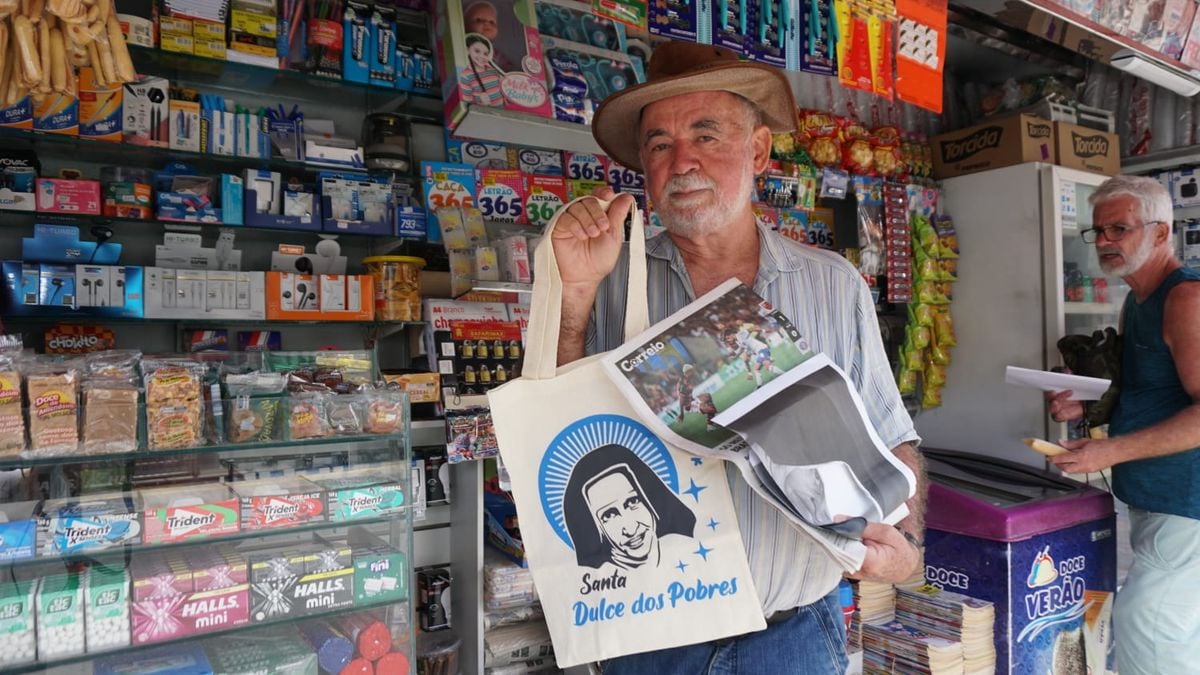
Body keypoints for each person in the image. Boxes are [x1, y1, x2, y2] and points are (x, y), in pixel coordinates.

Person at [552, 42, 925, 673]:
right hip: (650, 640)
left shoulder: (833, 284)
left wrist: (908, 544)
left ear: (756, 151)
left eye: (706, 134)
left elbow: (894, 439)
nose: (682, 161)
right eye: (659, 145)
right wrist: (576, 300)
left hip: (795, 638)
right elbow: (557, 443)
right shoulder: (608, 280)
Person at [1046, 175, 1200, 675]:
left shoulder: (1186, 301)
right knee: (1171, 628)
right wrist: (1088, 408)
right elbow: (1149, 393)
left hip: (1190, 504)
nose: (1106, 241)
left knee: (1148, 626)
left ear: (1160, 233)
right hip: (1160, 498)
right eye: (1098, 231)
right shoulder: (1138, 299)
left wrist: (1107, 452)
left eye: (1120, 228)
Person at [563, 444, 698, 571]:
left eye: (633, 502)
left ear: (649, 500)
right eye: (609, 515)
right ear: (596, 528)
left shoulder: (691, 547)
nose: (630, 529)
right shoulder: (598, 581)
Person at [459, 34, 504, 107]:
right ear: (467, 50)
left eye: (485, 54)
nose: (482, 56)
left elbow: (503, 92)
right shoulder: (465, 76)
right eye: (477, 51)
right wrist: (480, 104)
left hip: (504, 111)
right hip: (486, 115)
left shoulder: (492, 70)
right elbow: (466, 103)